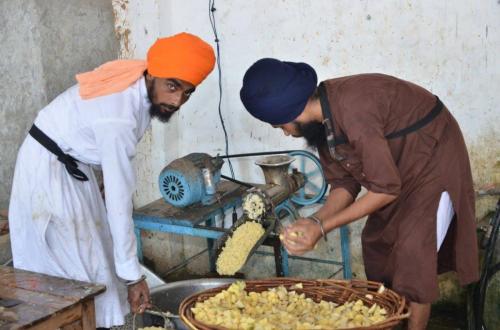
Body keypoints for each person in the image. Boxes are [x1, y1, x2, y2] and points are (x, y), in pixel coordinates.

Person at [239, 58, 479, 329]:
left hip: (432, 161)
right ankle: (390, 321)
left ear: (291, 110)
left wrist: (323, 227)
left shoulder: (353, 110)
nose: (284, 133)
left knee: (413, 255)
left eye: (280, 126)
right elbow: (345, 184)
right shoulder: (322, 123)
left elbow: (386, 189)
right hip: (396, 171)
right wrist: (315, 221)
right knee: (377, 245)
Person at [8, 32, 215, 328]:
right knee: (71, 270)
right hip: (48, 174)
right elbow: (119, 201)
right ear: (153, 74)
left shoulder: (138, 85)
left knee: (94, 258)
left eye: (187, 92)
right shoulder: (117, 116)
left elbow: (111, 169)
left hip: (72, 166)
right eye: (172, 86)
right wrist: (133, 278)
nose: (177, 99)